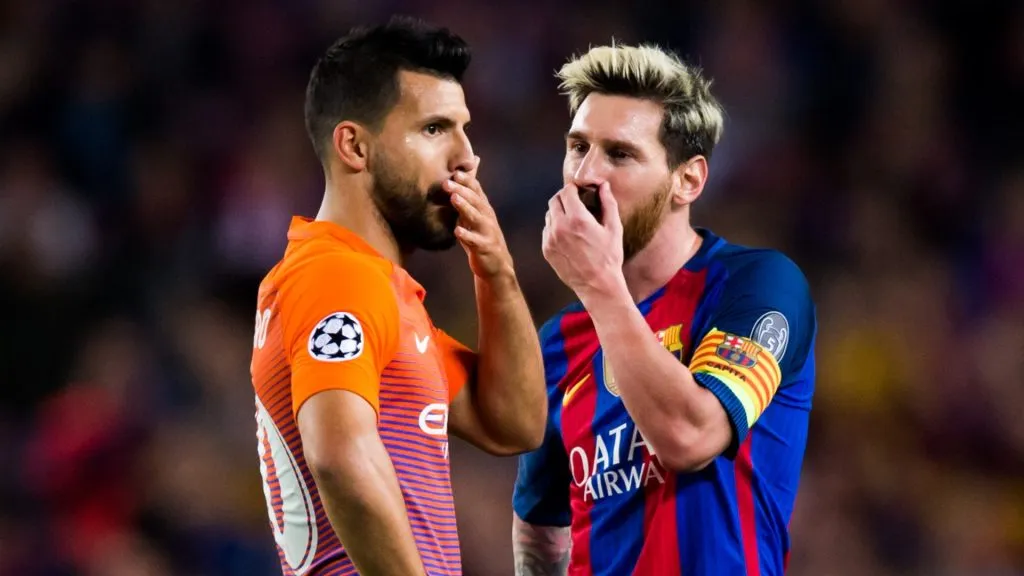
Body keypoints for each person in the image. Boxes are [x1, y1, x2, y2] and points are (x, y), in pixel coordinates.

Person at [249, 16, 546, 576]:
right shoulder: (338, 277)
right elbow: (339, 455)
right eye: (435, 129)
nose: (466, 157)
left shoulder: (376, 290)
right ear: (354, 146)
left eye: (464, 129)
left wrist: (497, 274)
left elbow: (513, 424)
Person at [511, 42, 817, 576]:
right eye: (577, 147)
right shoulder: (557, 344)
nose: (585, 174)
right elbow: (539, 529)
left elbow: (690, 437)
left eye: (620, 154)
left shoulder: (757, 286)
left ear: (689, 179)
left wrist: (599, 286)